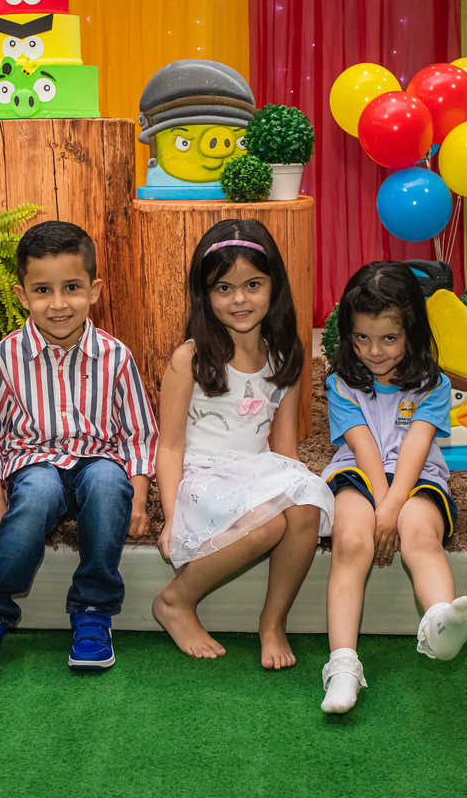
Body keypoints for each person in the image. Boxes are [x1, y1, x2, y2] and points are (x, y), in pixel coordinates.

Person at [0, 221, 158, 680]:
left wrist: (139, 500)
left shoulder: (116, 357)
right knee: (38, 494)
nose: (58, 303)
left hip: (98, 459)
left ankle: (93, 609)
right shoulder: (6, 356)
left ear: (94, 290)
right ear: (22, 295)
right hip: (35, 462)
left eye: (72, 288)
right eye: (42, 290)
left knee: (108, 484)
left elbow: (138, 436)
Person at [152, 219, 334, 670]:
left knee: (306, 504)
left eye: (253, 284)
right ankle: (176, 601)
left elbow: (285, 449)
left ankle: (273, 622)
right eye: (224, 288)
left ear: (274, 286)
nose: (239, 299)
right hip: (204, 475)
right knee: (268, 525)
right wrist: (172, 518)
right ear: (205, 294)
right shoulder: (189, 358)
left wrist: (297, 488)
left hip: (256, 468)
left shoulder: (284, 354)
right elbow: (169, 446)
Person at [320, 261, 467, 714]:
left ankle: (440, 623)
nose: (374, 351)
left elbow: (415, 447)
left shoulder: (434, 384)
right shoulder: (341, 383)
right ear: (348, 333)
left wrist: (394, 508)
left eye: (389, 338)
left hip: (418, 476)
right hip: (358, 473)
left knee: (422, 537)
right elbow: (363, 447)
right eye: (361, 337)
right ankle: (342, 665)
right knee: (351, 542)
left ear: (412, 331)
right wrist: (381, 506)